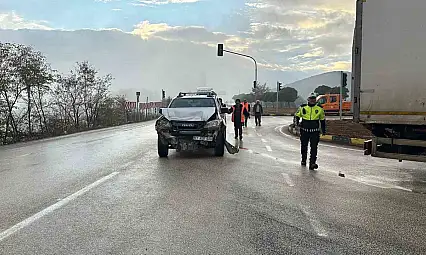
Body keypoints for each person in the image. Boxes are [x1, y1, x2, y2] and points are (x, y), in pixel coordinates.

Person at [294, 92, 326, 170]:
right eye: (311, 99)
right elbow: (297, 116)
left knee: (314, 147)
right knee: (304, 146)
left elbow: (322, 120)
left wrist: (323, 130)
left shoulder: (320, 108)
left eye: (314, 99)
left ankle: (312, 163)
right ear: (308, 99)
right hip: (304, 131)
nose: (312, 100)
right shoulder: (303, 108)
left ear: (316, 100)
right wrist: (297, 124)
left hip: (315, 131)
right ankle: (303, 160)